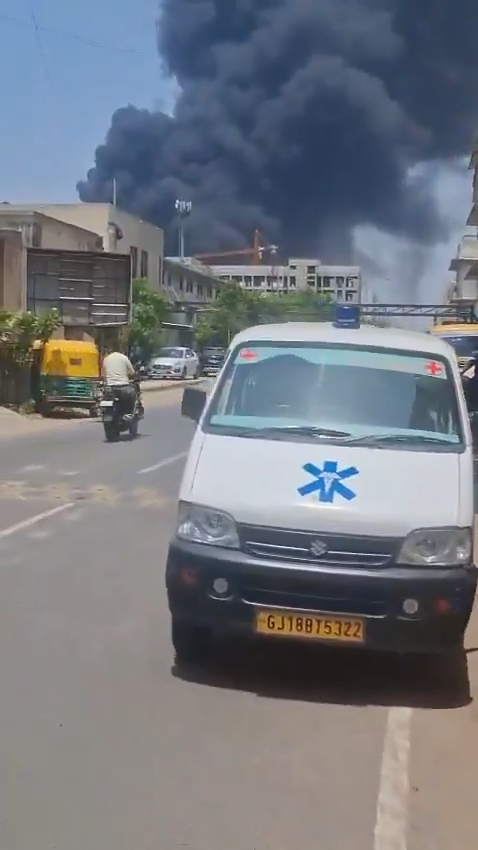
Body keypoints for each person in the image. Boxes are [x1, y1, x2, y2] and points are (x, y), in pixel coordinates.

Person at [101, 349, 140, 415]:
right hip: (123, 386)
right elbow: (132, 372)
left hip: (110, 387)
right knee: (132, 397)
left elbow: (104, 374)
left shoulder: (106, 359)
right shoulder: (124, 358)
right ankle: (128, 414)